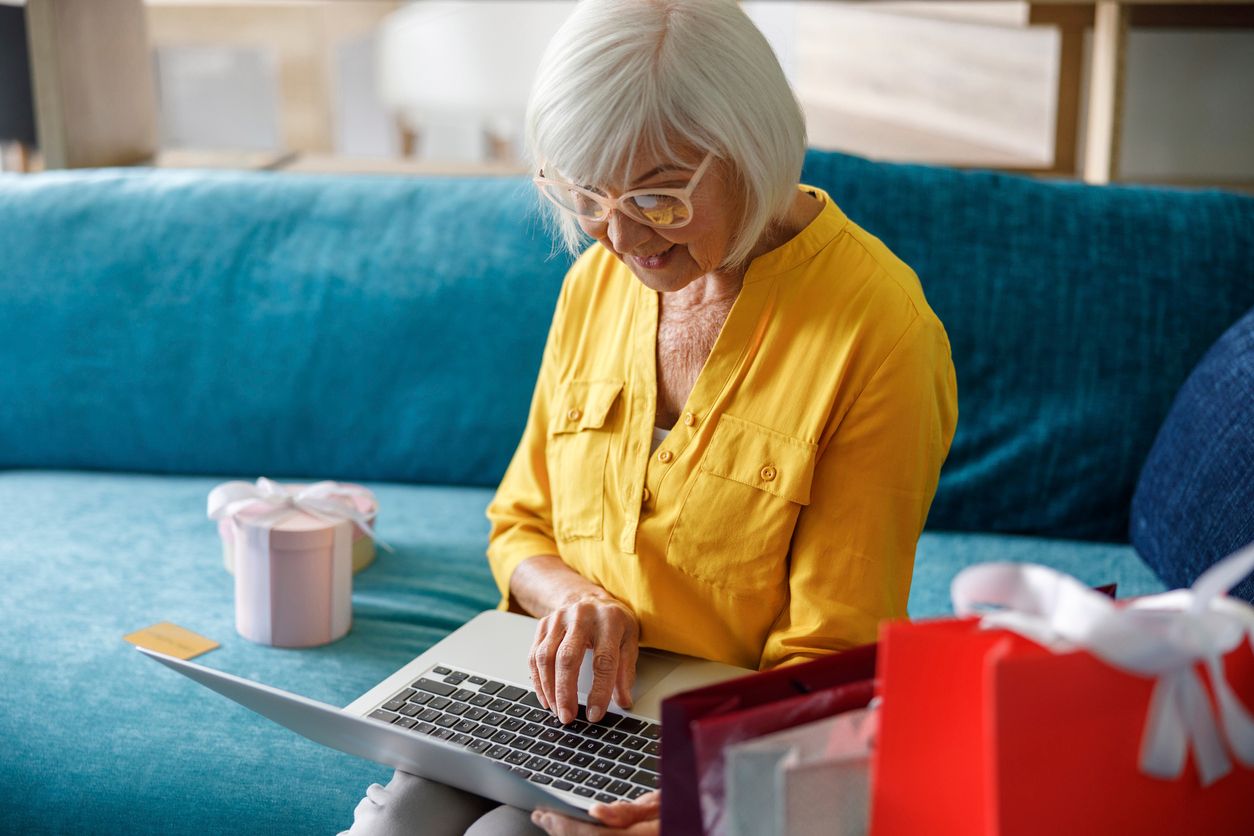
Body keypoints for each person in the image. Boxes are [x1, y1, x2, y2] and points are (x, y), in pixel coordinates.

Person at [342, 0, 957, 833]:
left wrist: (704, 791)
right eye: (585, 194)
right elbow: (519, 527)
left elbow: (833, 654)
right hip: (554, 697)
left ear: (753, 149)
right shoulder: (593, 284)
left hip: (728, 739)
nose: (620, 236)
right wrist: (572, 600)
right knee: (393, 823)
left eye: (658, 198)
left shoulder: (881, 332)